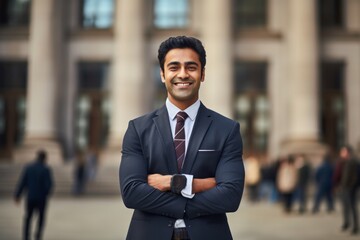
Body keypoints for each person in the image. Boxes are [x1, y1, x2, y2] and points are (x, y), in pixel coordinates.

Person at [119, 36, 245, 240]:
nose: (183, 74)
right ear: (162, 74)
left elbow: (230, 196)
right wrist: (201, 185)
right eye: (174, 67)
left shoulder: (227, 129)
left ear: (202, 74)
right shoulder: (138, 129)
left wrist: (175, 183)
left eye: (191, 67)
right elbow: (132, 192)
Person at [14, 150, 54, 240]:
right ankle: (38, 236)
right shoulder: (46, 169)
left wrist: (17, 195)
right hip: (41, 198)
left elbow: (22, 182)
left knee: (28, 217)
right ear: (44, 158)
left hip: (30, 197)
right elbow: (49, 185)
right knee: (41, 218)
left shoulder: (28, 168)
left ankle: (26, 236)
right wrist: (47, 193)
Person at [335, 145, 359, 235]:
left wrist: (351, 186)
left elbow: (355, 176)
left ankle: (355, 227)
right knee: (346, 207)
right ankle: (347, 223)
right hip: (345, 187)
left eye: (343, 152)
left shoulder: (353, 161)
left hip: (351, 188)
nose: (341, 153)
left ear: (348, 152)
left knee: (353, 208)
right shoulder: (344, 162)